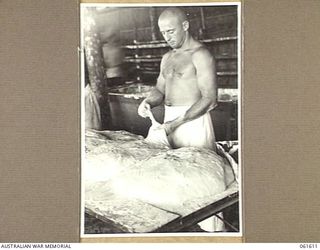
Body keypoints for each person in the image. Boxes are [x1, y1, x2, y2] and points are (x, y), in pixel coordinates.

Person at [138, 8, 223, 232]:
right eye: (163, 32)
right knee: (175, 176)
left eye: (171, 31)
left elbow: (209, 99)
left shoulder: (200, 54)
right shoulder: (167, 57)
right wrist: (148, 101)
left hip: (194, 122)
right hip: (169, 122)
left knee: (203, 180)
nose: (167, 36)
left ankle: (214, 233)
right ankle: (183, 228)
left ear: (185, 26)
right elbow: (159, 90)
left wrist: (177, 122)